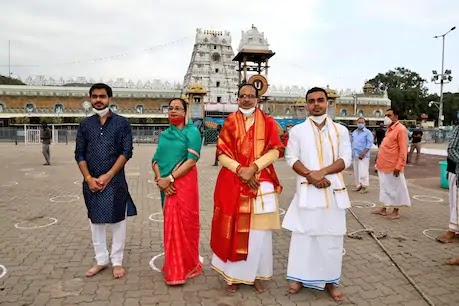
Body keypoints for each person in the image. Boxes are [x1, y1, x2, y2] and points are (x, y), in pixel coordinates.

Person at [210, 83, 284, 293]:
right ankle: (232, 276)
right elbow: (221, 152)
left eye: (251, 96)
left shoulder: (268, 122)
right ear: (237, 98)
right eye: (243, 96)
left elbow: (277, 150)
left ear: (257, 99)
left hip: (261, 180)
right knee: (232, 228)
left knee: (259, 233)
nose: (247, 99)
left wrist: (254, 168)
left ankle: (255, 275)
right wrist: (241, 170)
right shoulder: (230, 122)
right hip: (233, 180)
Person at [283, 87, 351, 302]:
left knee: (331, 237)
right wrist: (309, 175)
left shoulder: (340, 130)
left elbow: (346, 158)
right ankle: (298, 278)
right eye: (311, 101)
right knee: (304, 235)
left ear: (327, 103)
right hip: (307, 189)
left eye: (320, 100)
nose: (316, 104)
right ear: (306, 105)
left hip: (333, 190)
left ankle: (331, 281)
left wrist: (322, 172)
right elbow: (290, 157)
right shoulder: (297, 131)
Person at [75, 83, 137, 279]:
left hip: (115, 181)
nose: (98, 100)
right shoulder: (85, 125)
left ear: (110, 99)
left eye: (102, 96)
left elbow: (126, 152)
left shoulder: (122, 123)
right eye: (94, 96)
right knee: (96, 222)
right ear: (90, 99)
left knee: (118, 220)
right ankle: (101, 260)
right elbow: (79, 154)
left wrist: (108, 175)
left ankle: (116, 261)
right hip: (91, 182)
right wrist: (88, 178)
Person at [151, 98, 202, 285]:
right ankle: (174, 267)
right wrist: (160, 179)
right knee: (170, 226)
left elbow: (191, 160)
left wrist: (170, 178)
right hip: (166, 187)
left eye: (177, 108)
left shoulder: (192, 132)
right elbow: (155, 160)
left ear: (185, 112)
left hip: (184, 185)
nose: (173, 111)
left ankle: (188, 265)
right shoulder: (165, 135)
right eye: (170, 108)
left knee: (186, 224)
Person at [372, 108, 411, 219]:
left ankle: (395, 211)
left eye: (389, 115)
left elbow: (403, 150)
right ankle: (383, 208)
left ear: (396, 117)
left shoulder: (401, 129)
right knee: (384, 188)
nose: (386, 117)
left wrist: (399, 166)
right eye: (385, 115)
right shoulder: (389, 129)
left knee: (396, 188)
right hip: (383, 165)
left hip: (393, 166)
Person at [437, 123, 459, 244]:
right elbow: (452, 150)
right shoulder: (458, 129)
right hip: (456, 172)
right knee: (456, 203)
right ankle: (452, 230)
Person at [351, 117, 374, 193]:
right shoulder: (354, 132)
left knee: (363, 171)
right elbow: (352, 142)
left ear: (364, 123)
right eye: (359, 122)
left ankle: (364, 186)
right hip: (355, 155)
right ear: (357, 123)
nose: (360, 124)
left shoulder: (368, 132)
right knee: (356, 171)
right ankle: (358, 185)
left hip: (363, 155)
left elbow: (369, 144)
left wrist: (363, 153)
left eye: (362, 122)